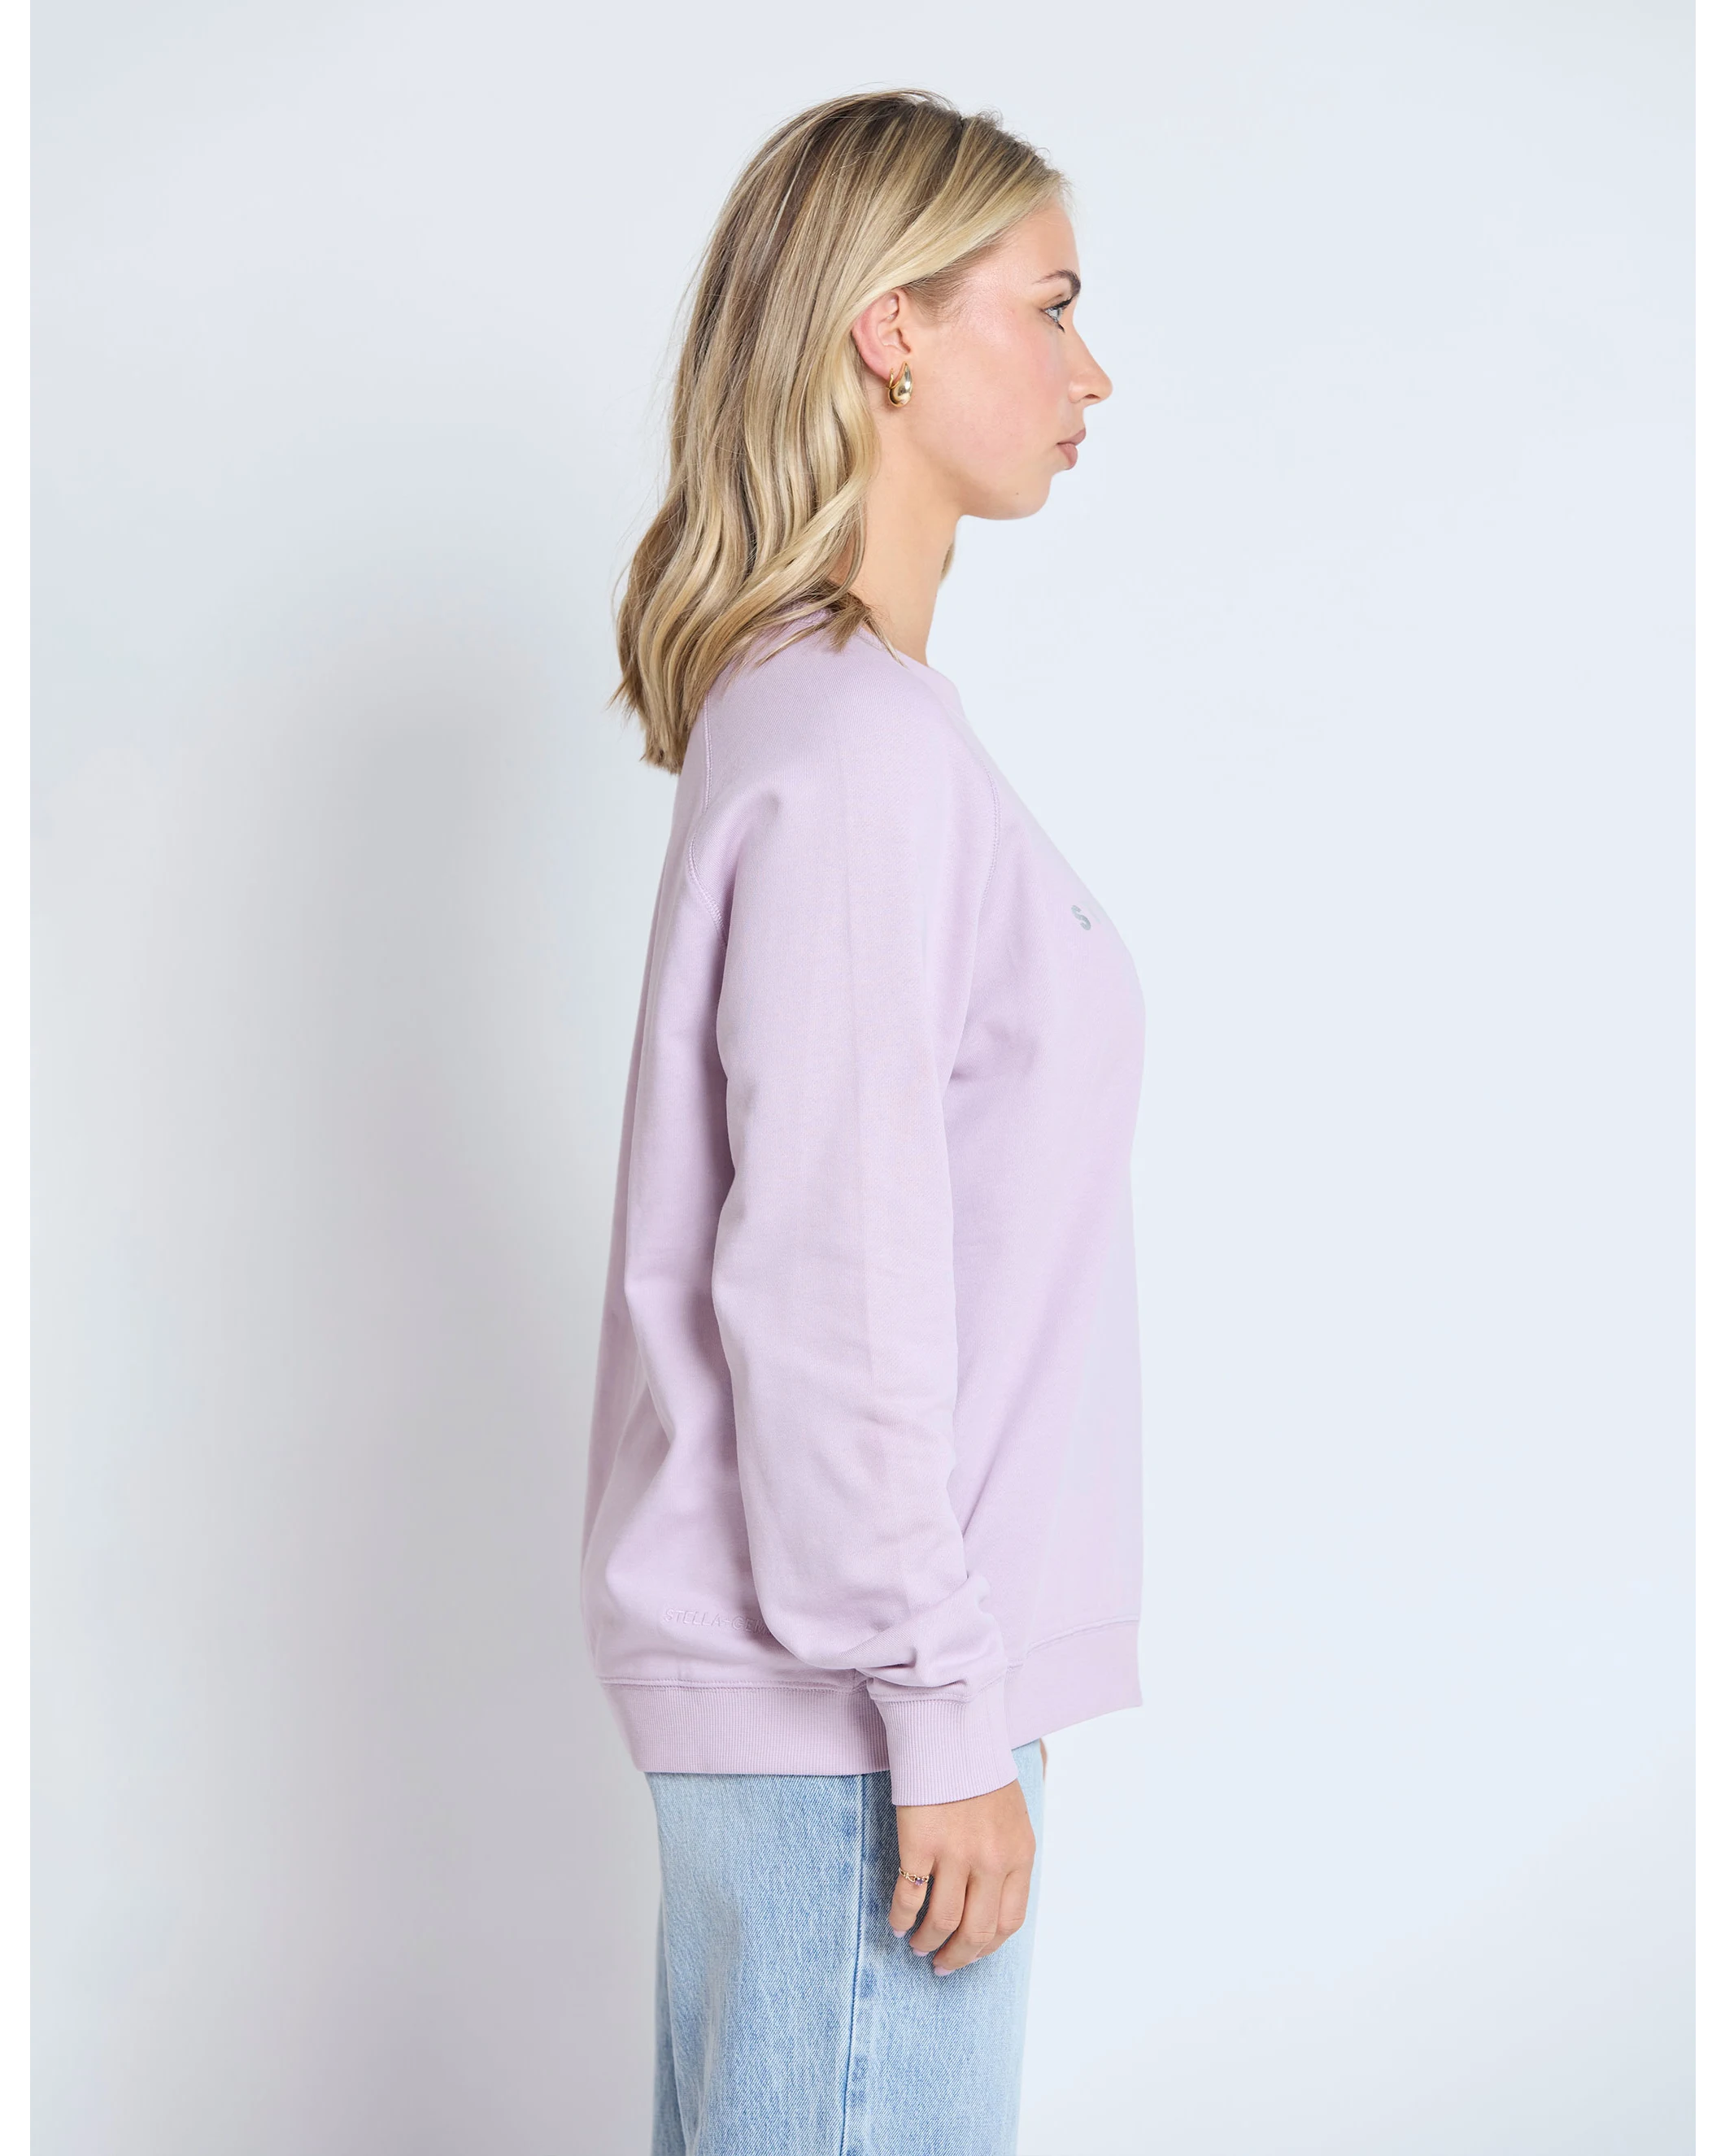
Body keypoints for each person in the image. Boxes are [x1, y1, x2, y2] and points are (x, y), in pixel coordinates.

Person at [583, 90, 1141, 2154]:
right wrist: (937, 1702)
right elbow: (829, 1272)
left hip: (841, 1714)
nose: (1091, 371)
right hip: (859, 1724)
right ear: (890, 330)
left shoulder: (810, 715)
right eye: (1049, 306)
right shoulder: (859, 746)